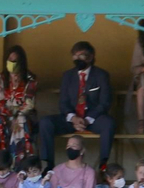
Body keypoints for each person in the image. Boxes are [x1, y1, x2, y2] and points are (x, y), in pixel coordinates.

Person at [39, 41, 116, 170]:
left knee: (109, 123)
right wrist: (73, 118)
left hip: (93, 120)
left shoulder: (101, 75)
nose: (77, 59)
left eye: (81, 55)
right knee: (45, 122)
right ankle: (49, 165)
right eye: (75, 56)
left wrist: (87, 119)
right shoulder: (67, 75)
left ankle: (103, 165)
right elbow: (63, 103)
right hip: (71, 120)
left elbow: (105, 102)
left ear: (91, 57)